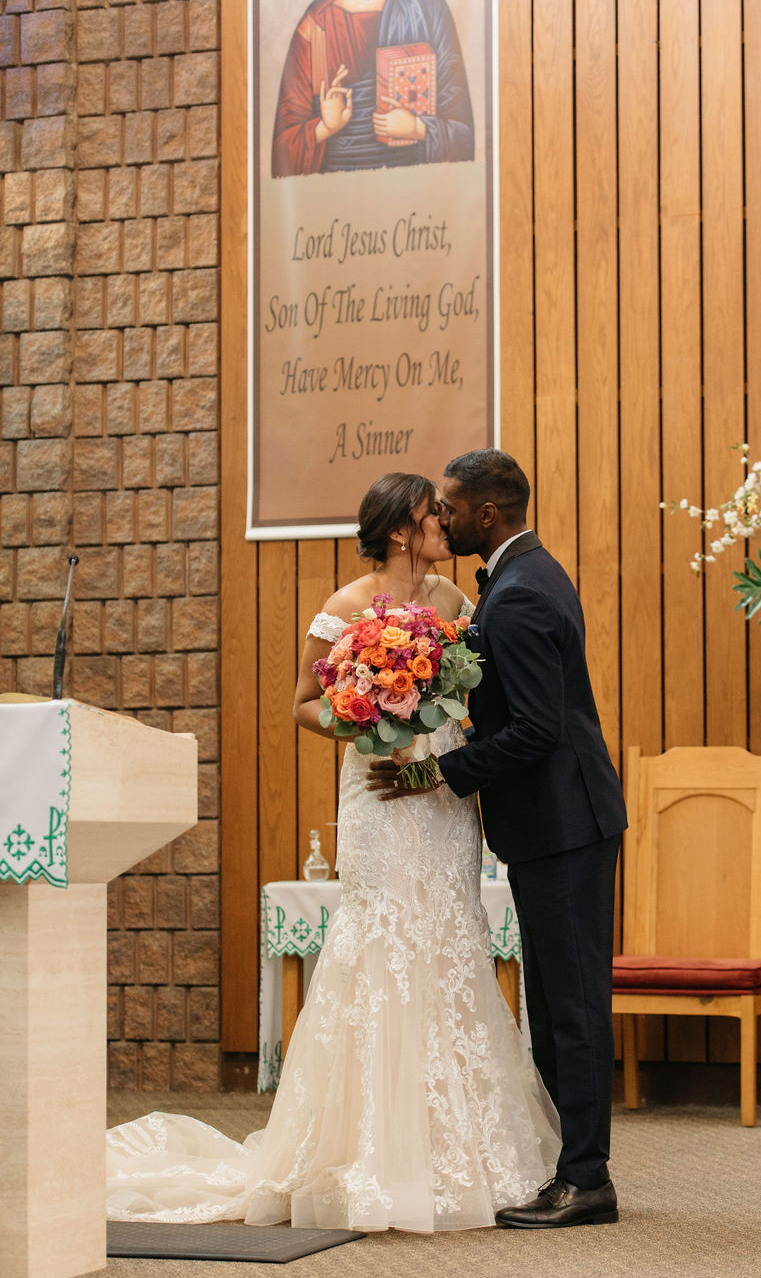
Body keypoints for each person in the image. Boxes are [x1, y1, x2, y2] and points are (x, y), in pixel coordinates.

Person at [106, 472, 559, 1233]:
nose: (441, 524)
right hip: (380, 794)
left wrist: (447, 743)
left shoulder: (455, 602)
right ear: (397, 532)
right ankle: (366, 1148)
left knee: (449, 937)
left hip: (443, 799)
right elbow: (303, 703)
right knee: (380, 942)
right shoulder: (347, 608)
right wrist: (366, 717)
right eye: (428, 516)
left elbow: (484, 692)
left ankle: (463, 1147)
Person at [369, 450, 627, 1228]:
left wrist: (429, 776)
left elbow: (536, 733)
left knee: (573, 1009)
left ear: (486, 513)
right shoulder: (525, 576)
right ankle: (570, 1170)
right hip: (554, 822)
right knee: (551, 1010)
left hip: (563, 823)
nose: (439, 519)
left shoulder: (517, 596)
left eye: (447, 508)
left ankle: (588, 1180)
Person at [271, 0, 474, 176]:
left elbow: (463, 133)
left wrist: (418, 128)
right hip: (336, 199)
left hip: (414, 194)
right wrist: (324, 127)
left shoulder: (430, 11)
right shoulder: (315, 25)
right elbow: (283, 150)